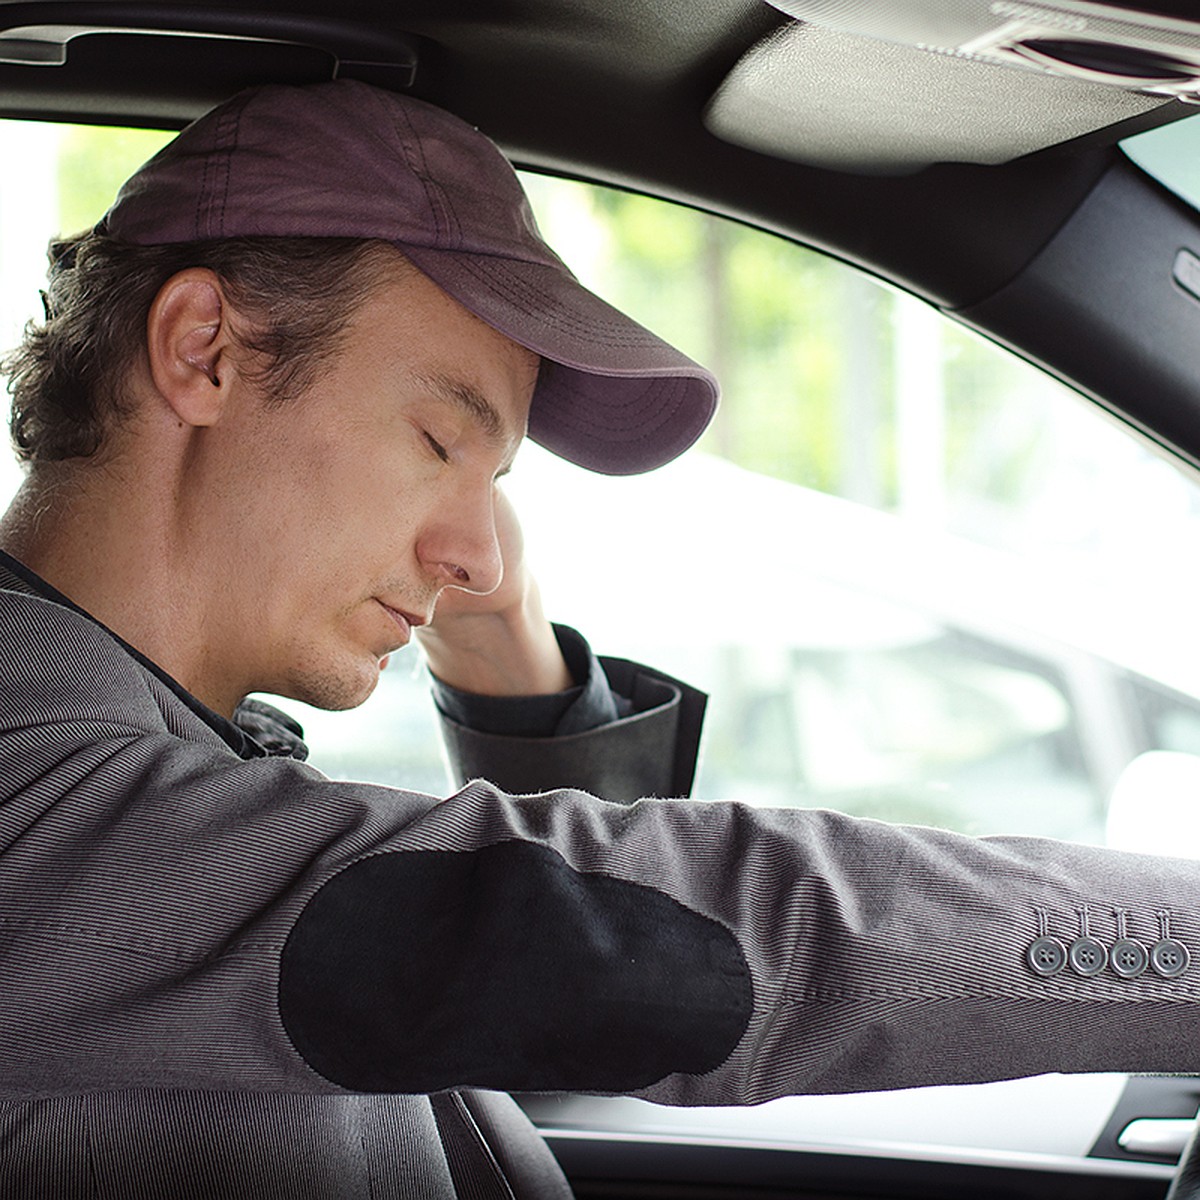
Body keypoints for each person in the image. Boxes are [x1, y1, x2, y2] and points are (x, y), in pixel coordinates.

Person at [0, 78, 1199, 1199]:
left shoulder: (161, 755)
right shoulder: (36, 795)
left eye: (499, 474)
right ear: (204, 348)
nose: (479, 548)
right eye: (437, 439)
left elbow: (522, 1024)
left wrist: (505, 654)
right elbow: (620, 943)